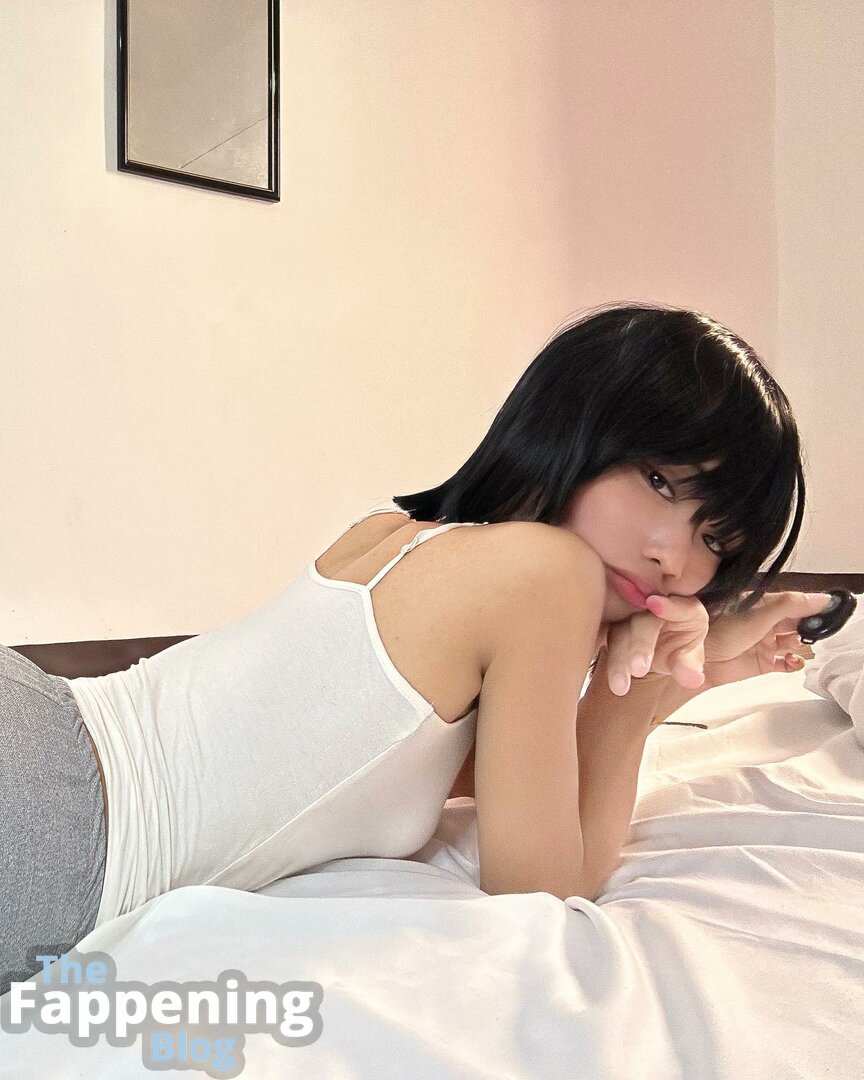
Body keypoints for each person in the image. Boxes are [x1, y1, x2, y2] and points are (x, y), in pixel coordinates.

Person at [0, 300, 831, 996]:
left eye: (714, 538)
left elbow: (429, 770)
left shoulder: (402, 535)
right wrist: (645, 682)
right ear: (576, 422)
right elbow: (540, 889)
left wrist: (692, 671)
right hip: (53, 826)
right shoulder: (550, 572)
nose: (672, 556)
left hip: (41, 729)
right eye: (659, 481)